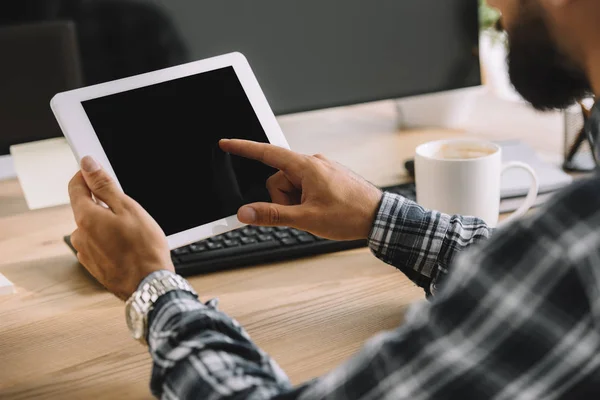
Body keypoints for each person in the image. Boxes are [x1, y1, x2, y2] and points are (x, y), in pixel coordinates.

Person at [67, 0, 600, 398]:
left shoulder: (578, 242)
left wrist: (152, 289)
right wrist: (379, 213)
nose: (493, 5)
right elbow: (532, 290)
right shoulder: (566, 251)